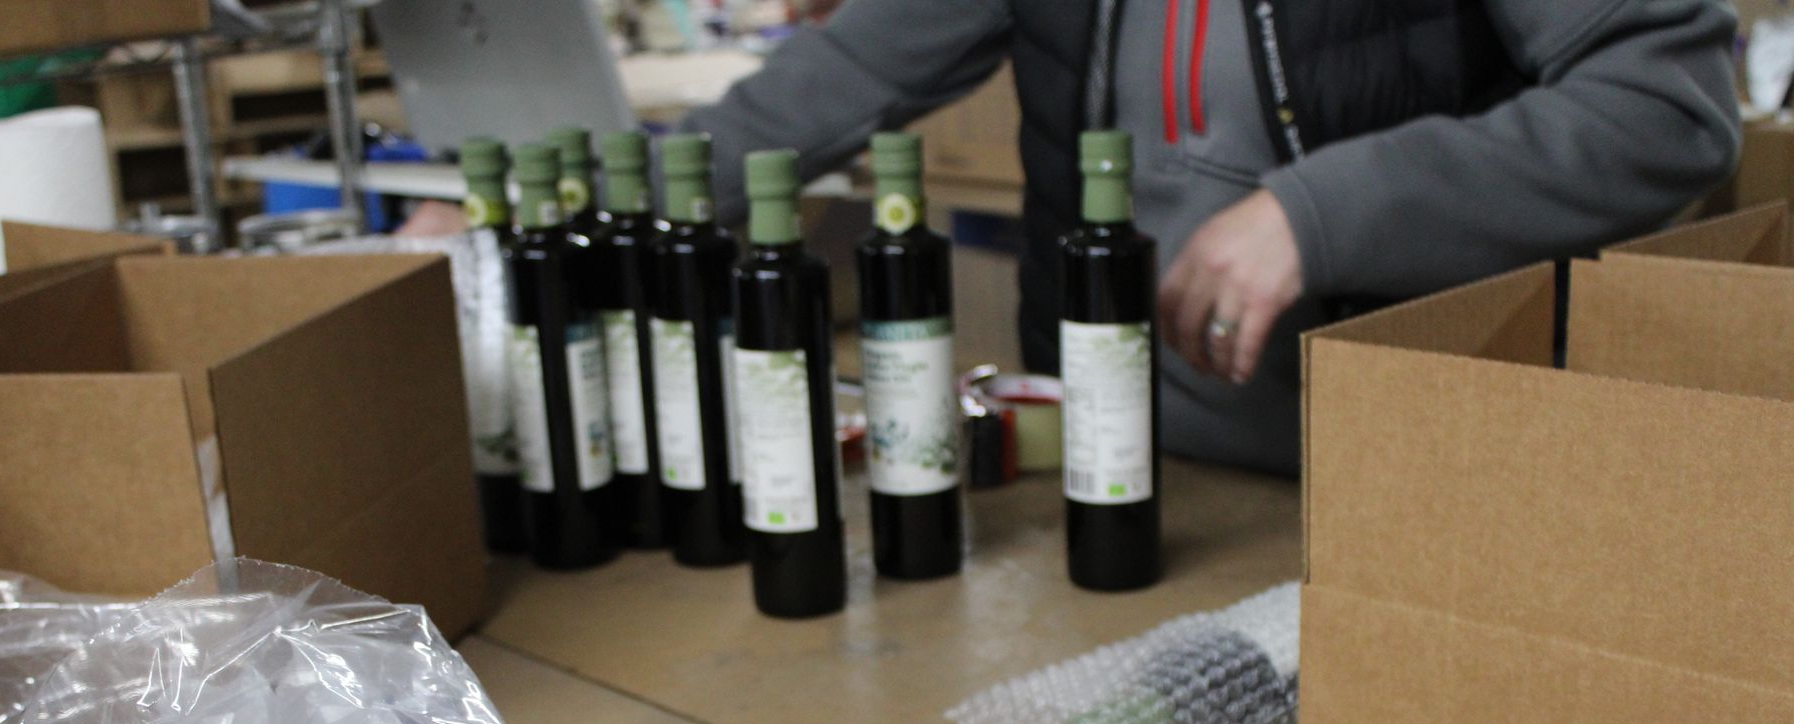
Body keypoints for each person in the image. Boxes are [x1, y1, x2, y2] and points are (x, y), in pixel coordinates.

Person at [683, 0, 1742, 474]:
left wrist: (1321, 212)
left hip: (1404, 481)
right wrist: (605, 203)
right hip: (1109, 474)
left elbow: (1664, 109)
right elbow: (827, 87)